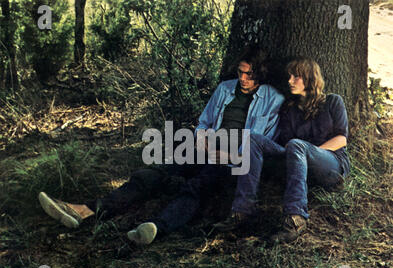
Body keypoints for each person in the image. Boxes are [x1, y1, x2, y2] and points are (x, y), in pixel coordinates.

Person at [38, 47, 285, 245]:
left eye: (249, 74)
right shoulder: (224, 89)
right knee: (153, 173)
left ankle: (156, 227)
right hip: (203, 149)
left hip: (232, 162)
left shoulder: (274, 100)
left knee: (195, 187)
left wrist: (227, 155)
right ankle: (85, 210)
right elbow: (203, 123)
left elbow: (259, 144)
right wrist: (203, 144)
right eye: (240, 72)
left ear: (261, 74)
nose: (242, 78)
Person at [255, 57, 350, 243]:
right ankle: (243, 209)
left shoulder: (333, 101)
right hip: (297, 161)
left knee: (297, 145)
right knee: (255, 139)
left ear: (310, 78)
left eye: (296, 76)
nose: (290, 81)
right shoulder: (290, 109)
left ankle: (295, 218)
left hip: (331, 165)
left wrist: (309, 153)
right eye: (289, 76)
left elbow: (341, 139)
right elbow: (286, 143)